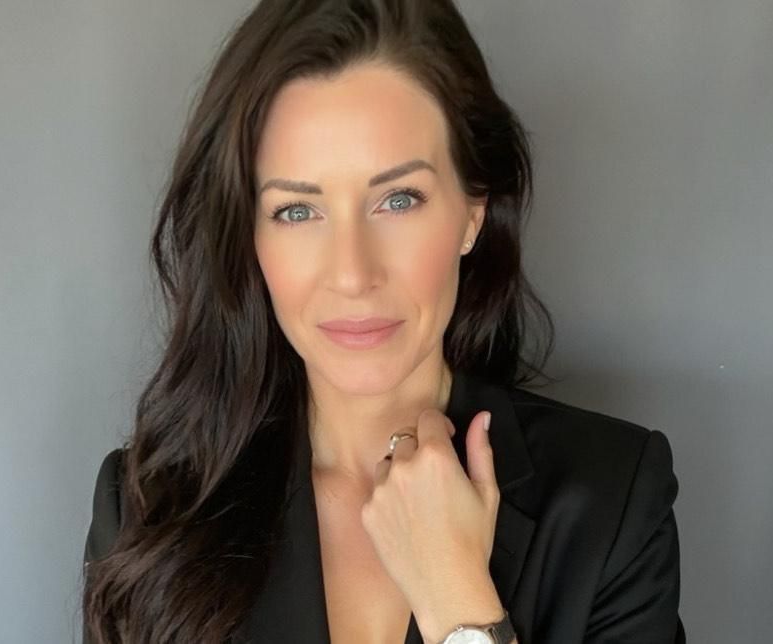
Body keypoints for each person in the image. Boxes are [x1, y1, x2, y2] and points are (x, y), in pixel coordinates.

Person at [82, 1, 685, 642]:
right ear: (249, 237)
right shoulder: (147, 510)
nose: (352, 273)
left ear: (472, 213)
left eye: (398, 200)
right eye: (296, 211)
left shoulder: (613, 502)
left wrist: (457, 599)